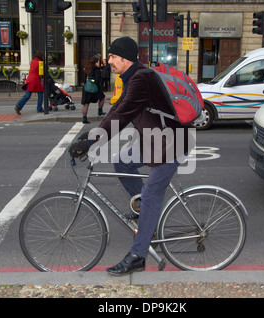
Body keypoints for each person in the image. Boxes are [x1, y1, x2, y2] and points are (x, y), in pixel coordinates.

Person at [69, 37, 193, 276]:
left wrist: (93, 141)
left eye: (113, 57)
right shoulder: (134, 77)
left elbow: (121, 116)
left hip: (171, 144)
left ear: (125, 59)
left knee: (151, 196)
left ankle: (138, 255)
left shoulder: (141, 79)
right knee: (121, 160)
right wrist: (90, 133)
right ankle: (144, 213)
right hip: (155, 140)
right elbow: (117, 108)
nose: (109, 62)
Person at [81, 56, 106, 123]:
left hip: (86, 88)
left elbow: (84, 79)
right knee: (102, 97)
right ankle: (100, 110)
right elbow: (97, 80)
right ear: (96, 62)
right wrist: (100, 87)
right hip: (94, 87)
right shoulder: (97, 70)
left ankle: (84, 118)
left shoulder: (87, 68)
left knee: (86, 104)